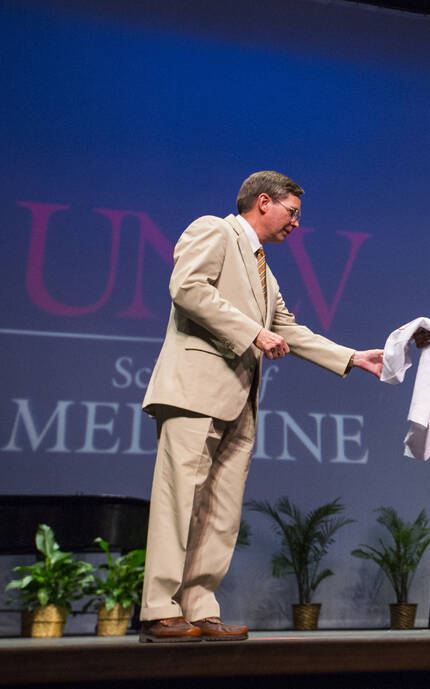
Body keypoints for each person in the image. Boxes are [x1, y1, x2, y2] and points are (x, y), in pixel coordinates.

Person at [137, 171, 386, 643]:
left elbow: (288, 328)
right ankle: (158, 609)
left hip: (238, 401)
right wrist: (252, 332)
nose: (296, 223)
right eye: (292, 213)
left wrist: (352, 357)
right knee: (180, 503)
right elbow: (188, 287)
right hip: (194, 392)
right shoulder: (214, 229)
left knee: (220, 511)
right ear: (264, 202)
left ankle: (200, 608)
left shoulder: (263, 270)